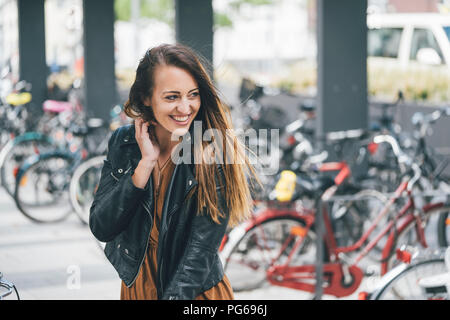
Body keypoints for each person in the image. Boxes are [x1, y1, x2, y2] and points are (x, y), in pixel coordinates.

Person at [89, 43, 261, 300]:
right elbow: (102, 226)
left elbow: (198, 255)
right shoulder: (124, 143)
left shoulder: (214, 151)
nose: (185, 107)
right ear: (146, 97)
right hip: (136, 290)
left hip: (192, 294)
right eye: (172, 97)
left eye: (193, 94)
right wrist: (143, 166)